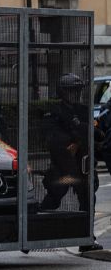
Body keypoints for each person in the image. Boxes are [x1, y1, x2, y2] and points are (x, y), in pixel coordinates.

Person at [40, 73, 103, 252]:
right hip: (64, 167)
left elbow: (97, 134)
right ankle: (33, 233)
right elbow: (54, 139)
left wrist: (79, 129)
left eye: (77, 90)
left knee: (88, 200)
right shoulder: (55, 112)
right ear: (63, 92)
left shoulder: (83, 110)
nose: (75, 94)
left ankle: (86, 238)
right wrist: (78, 134)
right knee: (53, 198)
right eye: (71, 91)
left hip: (83, 165)